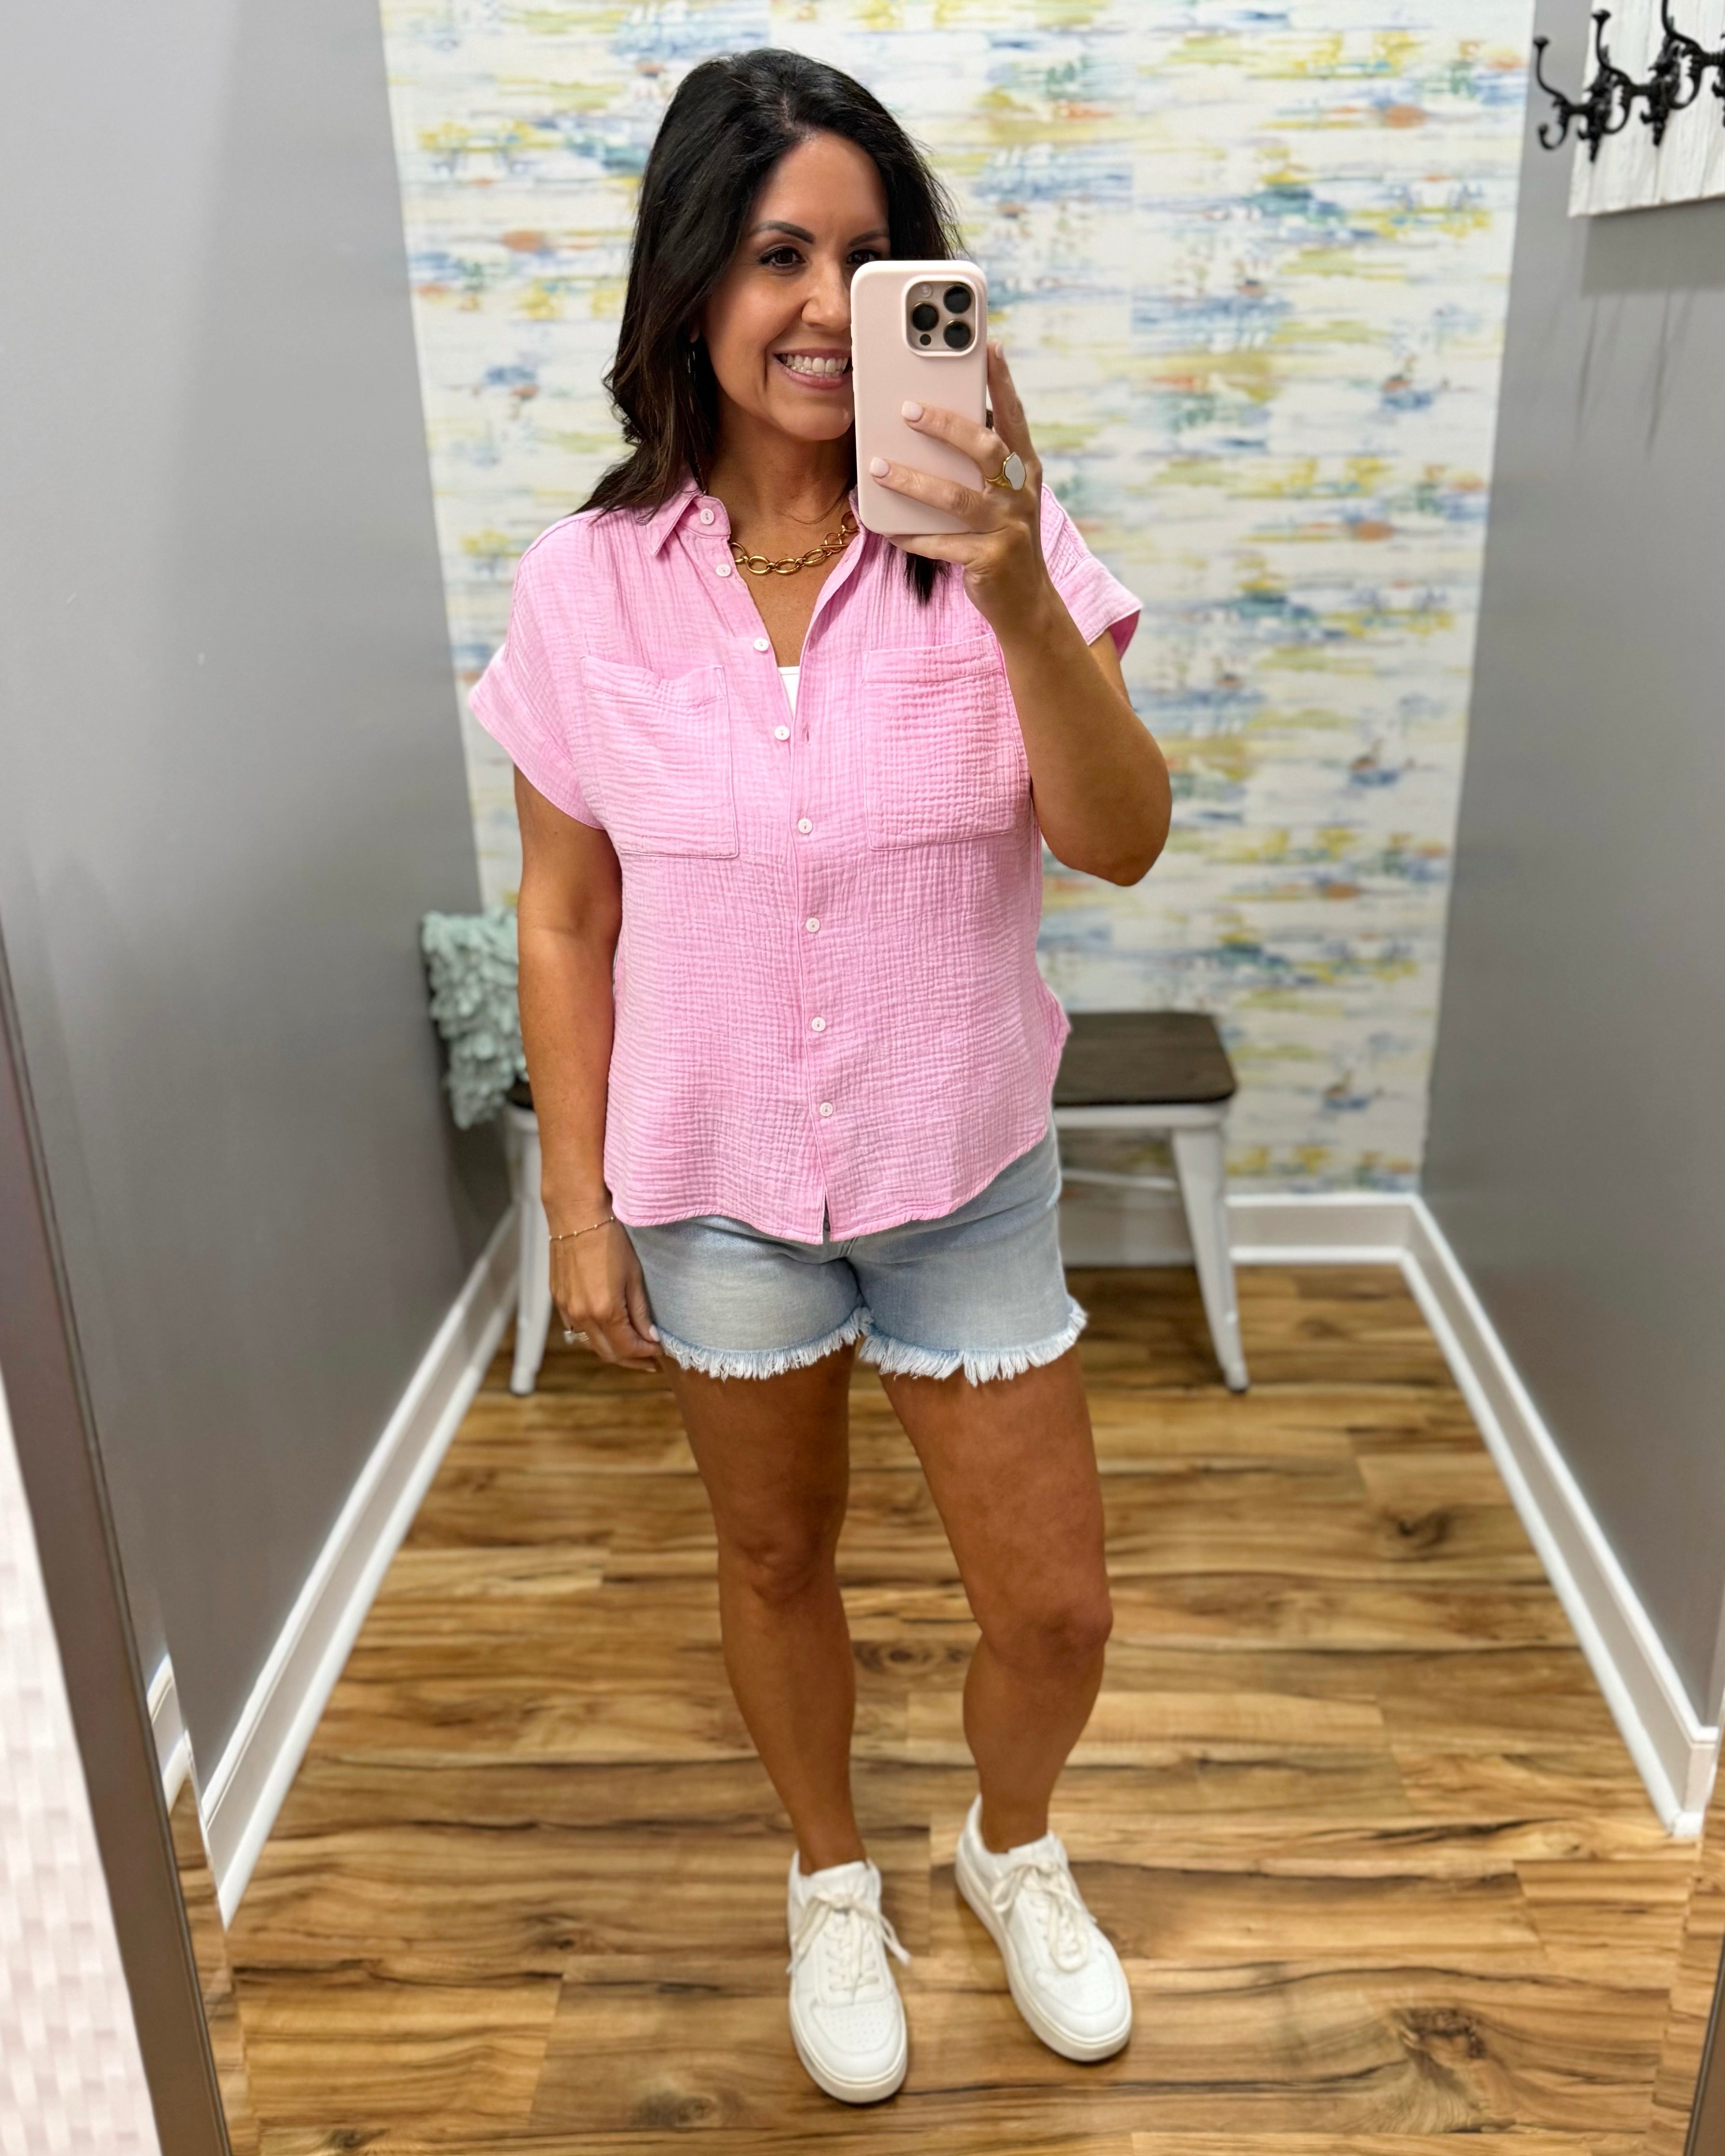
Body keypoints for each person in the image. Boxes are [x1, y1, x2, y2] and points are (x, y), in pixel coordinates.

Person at [471, 46, 1171, 2107]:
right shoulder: (583, 588)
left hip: (963, 1170)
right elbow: (564, 916)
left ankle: (1006, 1841)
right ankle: (827, 1872)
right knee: (771, 1558)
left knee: (1054, 1609)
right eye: (779, 253)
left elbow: (1117, 835)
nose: (819, 307)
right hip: (716, 1191)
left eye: (872, 263)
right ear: (690, 276)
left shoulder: (1002, 553)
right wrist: (577, 1196)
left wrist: (1020, 578)